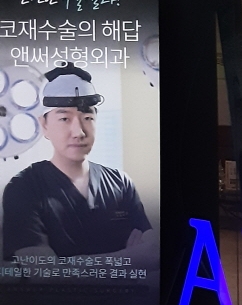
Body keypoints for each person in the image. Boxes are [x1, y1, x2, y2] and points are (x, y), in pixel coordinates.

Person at [2, 63, 158, 269]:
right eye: (64, 118)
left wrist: (67, 266)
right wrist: (130, 258)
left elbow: (153, 253)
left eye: (87, 118)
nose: (79, 132)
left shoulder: (120, 183)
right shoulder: (24, 187)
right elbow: (42, 271)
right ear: (44, 125)